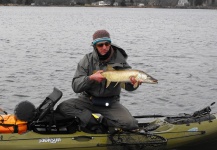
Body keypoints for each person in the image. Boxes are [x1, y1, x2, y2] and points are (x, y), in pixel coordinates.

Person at [56, 29, 140, 132]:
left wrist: (133, 84)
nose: (104, 47)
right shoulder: (86, 60)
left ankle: (105, 120)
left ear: (110, 44)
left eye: (107, 44)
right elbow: (75, 87)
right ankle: (93, 122)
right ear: (95, 46)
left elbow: (128, 87)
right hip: (87, 100)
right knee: (63, 107)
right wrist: (90, 78)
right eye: (100, 45)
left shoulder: (120, 62)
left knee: (130, 124)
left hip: (110, 103)